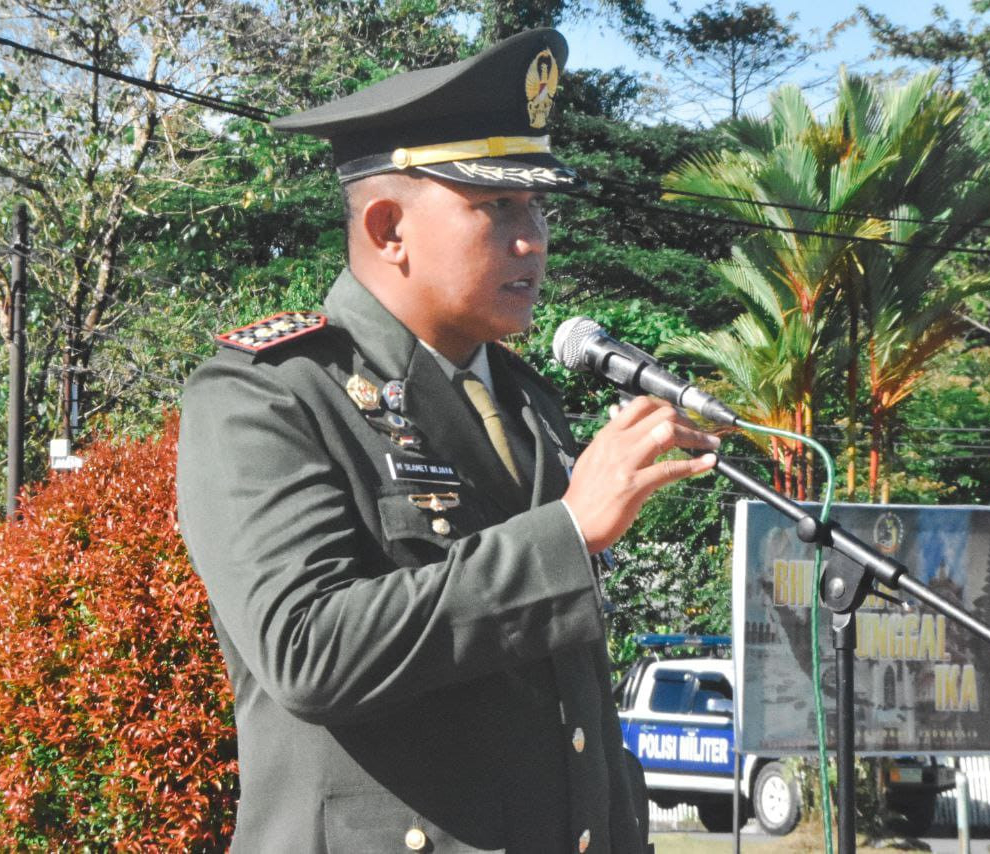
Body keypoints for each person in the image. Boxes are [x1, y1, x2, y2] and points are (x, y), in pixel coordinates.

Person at [176, 28, 719, 854]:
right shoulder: (269, 393)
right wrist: (566, 535)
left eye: (538, 205)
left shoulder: (528, 401)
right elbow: (307, 651)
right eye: (496, 206)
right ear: (389, 227)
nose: (533, 238)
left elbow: (572, 699)